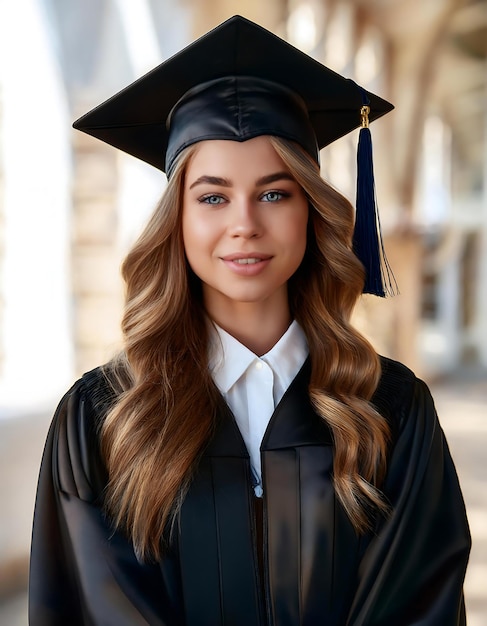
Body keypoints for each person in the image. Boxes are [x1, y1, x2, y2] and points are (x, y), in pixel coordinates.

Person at [29, 15, 470, 626]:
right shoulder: (104, 418)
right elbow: (96, 606)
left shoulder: (390, 411)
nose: (244, 224)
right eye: (212, 197)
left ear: (311, 211)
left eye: (274, 193)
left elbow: (417, 601)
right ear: (177, 220)